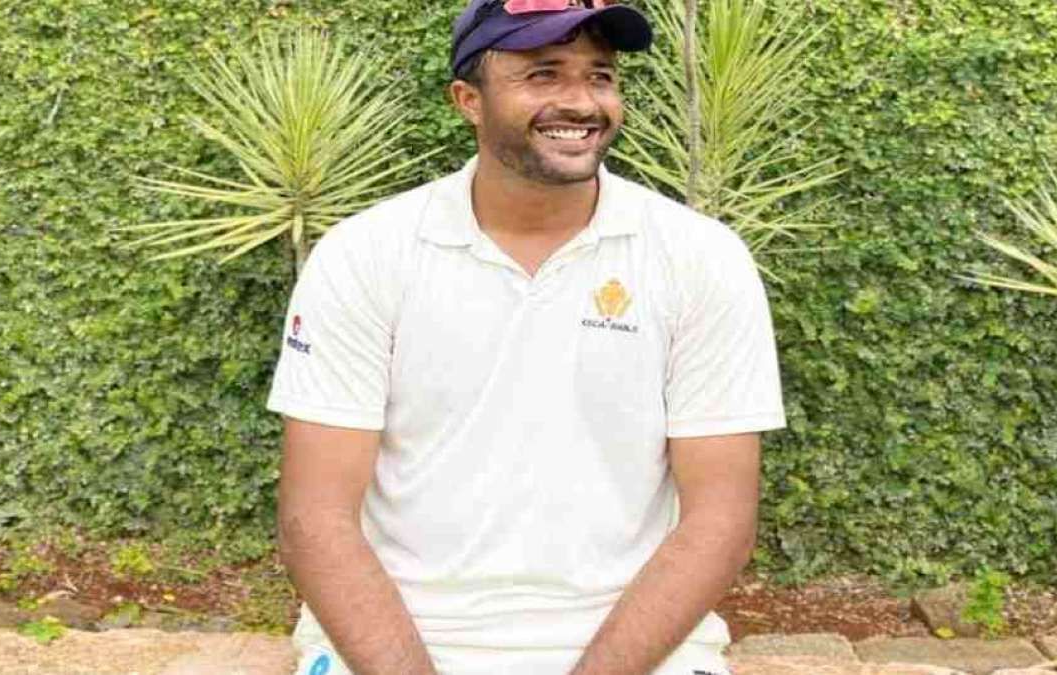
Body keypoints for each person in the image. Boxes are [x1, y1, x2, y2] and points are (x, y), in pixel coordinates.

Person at [267, 0, 786, 672]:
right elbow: (316, 516)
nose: (582, 102)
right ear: (468, 100)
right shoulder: (367, 254)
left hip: (638, 653)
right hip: (396, 646)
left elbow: (719, 520)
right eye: (543, 75)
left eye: (599, 76)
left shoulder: (700, 257)